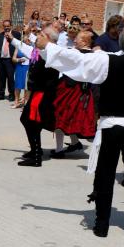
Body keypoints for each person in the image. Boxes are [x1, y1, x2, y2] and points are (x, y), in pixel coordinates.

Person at [36, 25, 124, 236]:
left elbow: (77, 60)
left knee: (105, 173)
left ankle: (101, 224)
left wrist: (48, 48)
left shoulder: (107, 60)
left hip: (111, 126)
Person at [9, 27, 60, 167]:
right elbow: (28, 49)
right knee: (29, 120)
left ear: (49, 38)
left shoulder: (52, 52)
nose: (38, 36)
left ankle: (36, 156)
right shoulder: (43, 51)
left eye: (41, 35)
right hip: (39, 91)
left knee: (30, 121)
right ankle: (35, 151)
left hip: (43, 93)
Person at [50, 30, 96, 158]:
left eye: (78, 39)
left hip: (72, 90)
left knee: (61, 117)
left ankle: (59, 150)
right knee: (69, 118)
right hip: (81, 91)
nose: (74, 40)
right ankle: (75, 143)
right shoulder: (94, 55)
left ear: (85, 41)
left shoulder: (78, 54)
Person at [0, 19, 19, 101]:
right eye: (5, 26)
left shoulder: (16, 34)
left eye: (8, 26)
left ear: (11, 26)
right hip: (1, 59)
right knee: (1, 77)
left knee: (10, 77)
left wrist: (9, 37)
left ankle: (11, 94)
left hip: (10, 60)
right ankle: (1, 94)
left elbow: (17, 45)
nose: (6, 28)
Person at [13, 34, 30, 109]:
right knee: (17, 85)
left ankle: (25, 103)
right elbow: (13, 58)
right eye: (24, 40)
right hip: (19, 67)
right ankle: (16, 101)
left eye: (27, 40)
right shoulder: (18, 47)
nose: (26, 41)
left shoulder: (31, 48)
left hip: (28, 67)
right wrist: (18, 60)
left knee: (26, 86)